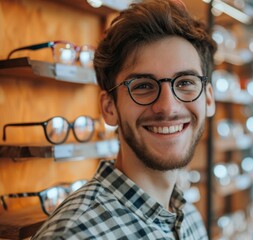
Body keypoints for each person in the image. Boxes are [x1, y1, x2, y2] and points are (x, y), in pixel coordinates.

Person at [32, 0, 216, 239]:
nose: (167, 107)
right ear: (110, 108)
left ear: (209, 100)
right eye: (143, 86)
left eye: (185, 83)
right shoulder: (73, 234)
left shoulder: (189, 217)